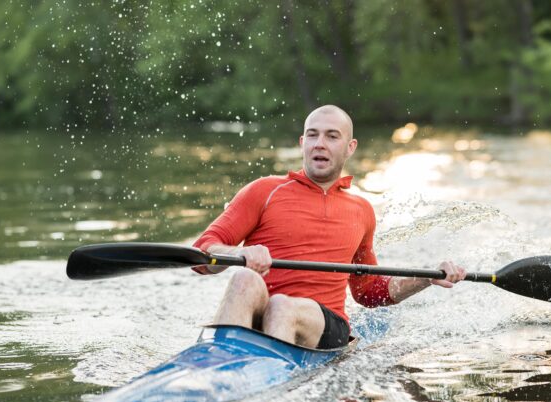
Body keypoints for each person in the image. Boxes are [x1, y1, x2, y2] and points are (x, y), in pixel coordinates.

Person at [193, 105, 465, 349]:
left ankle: (267, 384)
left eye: (332, 136)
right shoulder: (262, 191)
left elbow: (368, 292)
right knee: (244, 279)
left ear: (350, 147)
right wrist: (239, 255)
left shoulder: (361, 211)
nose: (319, 144)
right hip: (262, 317)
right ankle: (214, 364)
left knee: (282, 306)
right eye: (312, 135)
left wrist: (427, 278)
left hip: (326, 326)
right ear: (302, 143)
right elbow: (203, 254)